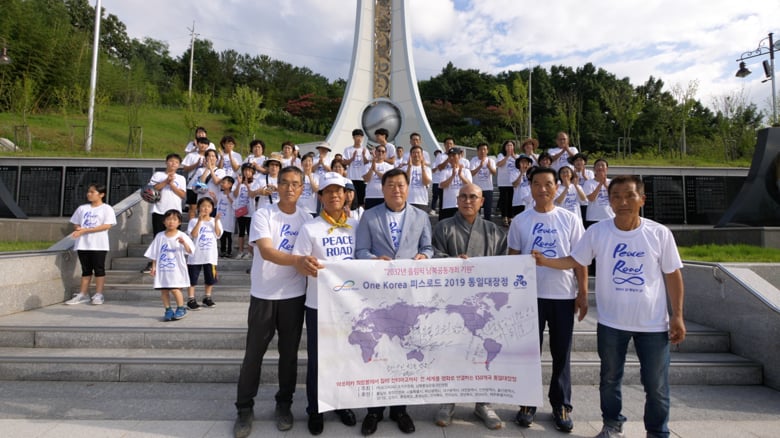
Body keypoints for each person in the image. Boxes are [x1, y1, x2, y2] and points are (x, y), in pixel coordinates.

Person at [533, 175, 685, 438]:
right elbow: (574, 260)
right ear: (609, 201)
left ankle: (658, 432)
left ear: (642, 199)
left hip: (652, 324)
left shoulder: (659, 234)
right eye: (616, 196)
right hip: (611, 323)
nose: (623, 202)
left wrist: (678, 315)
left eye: (629, 195)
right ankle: (612, 424)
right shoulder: (598, 231)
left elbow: (673, 275)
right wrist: (545, 262)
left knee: (656, 385)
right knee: (609, 380)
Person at [234, 166, 315, 437]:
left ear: (302, 188)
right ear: (276, 186)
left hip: (294, 297)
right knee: (253, 355)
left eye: (295, 184)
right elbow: (267, 252)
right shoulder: (264, 214)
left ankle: (284, 404)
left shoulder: (307, 218)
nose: (290, 188)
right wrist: (298, 261)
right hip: (264, 295)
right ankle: (244, 408)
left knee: (289, 356)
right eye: (284, 183)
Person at [507, 167, 587, 433]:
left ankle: (561, 404)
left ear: (557, 186)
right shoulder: (520, 221)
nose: (542, 189)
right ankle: (527, 402)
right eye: (537, 184)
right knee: (529, 352)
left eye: (548, 184)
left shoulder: (570, 219)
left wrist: (583, 293)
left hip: (563, 295)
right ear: (529, 187)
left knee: (561, 353)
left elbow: (581, 260)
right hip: (531, 296)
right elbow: (513, 259)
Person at [355, 167, 434, 436]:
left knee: (403, 351)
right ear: (383, 188)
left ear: (408, 188)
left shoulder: (421, 217)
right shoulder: (369, 216)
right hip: (378, 297)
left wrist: (424, 257)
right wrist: (374, 261)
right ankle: (374, 411)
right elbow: (360, 251)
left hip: (409, 298)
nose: (396, 189)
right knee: (379, 350)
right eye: (391, 185)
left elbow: (427, 248)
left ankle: (400, 409)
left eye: (401, 185)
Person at [431, 183, 507, 430]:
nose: (467, 200)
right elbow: (432, 256)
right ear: (456, 199)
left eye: (472, 197)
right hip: (452, 304)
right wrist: (452, 262)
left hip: (484, 307)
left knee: (482, 352)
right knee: (450, 349)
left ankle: (483, 403)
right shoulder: (443, 227)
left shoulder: (494, 231)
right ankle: (448, 401)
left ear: (482, 201)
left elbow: (505, 265)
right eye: (463, 196)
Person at [292, 172, 358, 435]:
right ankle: (315, 409)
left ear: (346, 196)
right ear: (320, 197)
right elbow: (298, 263)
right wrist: (307, 266)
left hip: (349, 305)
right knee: (318, 360)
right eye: (328, 191)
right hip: (318, 304)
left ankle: (341, 403)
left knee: (345, 357)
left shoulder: (356, 225)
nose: (334, 196)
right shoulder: (310, 228)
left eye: (338, 191)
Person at [65, 183, 117, 305]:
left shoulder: (107, 209)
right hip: (83, 244)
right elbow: (76, 223)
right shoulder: (82, 208)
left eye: (92, 192)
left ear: (101, 195)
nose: (89, 194)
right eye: (89, 192)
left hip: (99, 244)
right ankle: (83, 294)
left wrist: (85, 230)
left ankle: (99, 294)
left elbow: (107, 225)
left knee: (99, 269)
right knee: (86, 270)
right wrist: (78, 229)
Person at [144, 209, 194, 321]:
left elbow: (190, 251)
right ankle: (168, 310)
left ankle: (181, 308)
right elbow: (155, 252)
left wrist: (184, 243)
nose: (171, 222)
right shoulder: (160, 236)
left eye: (174, 219)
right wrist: (153, 266)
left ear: (179, 222)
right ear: (164, 222)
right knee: (164, 290)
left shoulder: (182, 235)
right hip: (163, 269)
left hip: (176, 268)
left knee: (175, 289)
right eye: (168, 219)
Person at [142, 153, 186, 273]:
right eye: (171, 161)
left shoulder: (181, 178)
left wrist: (172, 184)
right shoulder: (158, 175)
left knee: (175, 238)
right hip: (159, 210)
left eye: (176, 163)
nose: (173, 164)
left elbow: (182, 195)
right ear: (166, 162)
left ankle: (174, 261)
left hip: (175, 212)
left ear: (179, 165)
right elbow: (152, 189)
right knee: (158, 237)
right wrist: (166, 181)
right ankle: (154, 263)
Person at [186, 197, 222, 309]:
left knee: (210, 278)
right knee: (192, 278)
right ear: (198, 208)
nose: (206, 209)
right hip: (196, 255)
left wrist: (215, 222)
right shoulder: (193, 221)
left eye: (208, 206)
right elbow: (193, 235)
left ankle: (207, 297)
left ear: (212, 208)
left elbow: (218, 234)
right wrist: (199, 221)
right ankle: (191, 299)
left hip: (210, 256)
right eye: (203, 206)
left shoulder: (215, 221)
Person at [439, 147, 473, 220]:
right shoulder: (445, 171)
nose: (451, 158)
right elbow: (441, 186)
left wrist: (461, 176)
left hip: (463, 205)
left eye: (454, 155)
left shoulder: (466, 171)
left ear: (459, 156)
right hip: (448, 205)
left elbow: (470, 186)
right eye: (450, 156)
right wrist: (452, 176)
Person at [181, 136, 211, 219]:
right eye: (201, 143)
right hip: (192, 185)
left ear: (208, 146)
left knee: (204, 208)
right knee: (192, 208)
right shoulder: (191, 155)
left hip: (206, 185)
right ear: (197, 144)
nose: (203, 145)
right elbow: (185, 169)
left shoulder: (210, 156)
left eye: (205, 144)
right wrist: (196, 164)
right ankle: (191, 227)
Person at [342, 128, 371, 207]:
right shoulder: (348, 149)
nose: (359, 138)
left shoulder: (365, 150)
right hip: (351, 178)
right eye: (357, 136)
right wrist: (352, 158)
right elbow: (344, 162)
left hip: (361, 179)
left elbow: (366, 162)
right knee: (350, 199)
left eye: (361, 136)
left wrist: (364, 155)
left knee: (361, 200)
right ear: (353, 137)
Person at [583, 159, 614, 228]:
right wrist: (600, 184)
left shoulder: (612, 182)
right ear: (594, 169)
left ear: (607, 169)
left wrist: (605, 184)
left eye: (602, 165)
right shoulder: (588, 183)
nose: (600, 167)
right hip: (593, 217)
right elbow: (591, 199)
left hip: (610, 216)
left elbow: (614, 197)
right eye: (598, 165)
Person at [470, 142, 497, 220]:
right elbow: (471, 173)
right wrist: (480, 166)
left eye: (484, 149)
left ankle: (487, 226)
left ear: (487, 151)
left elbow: (494, 173)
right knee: (476, 209)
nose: (482, 151)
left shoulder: (491, 161)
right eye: (481, 149)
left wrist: (489, 167)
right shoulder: (473, 160)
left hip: (488, 189)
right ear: (477, 151)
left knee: (487, 210)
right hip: (476, 189)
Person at [362, 144, 394, 209]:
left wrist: (375, 171)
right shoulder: (367, 166)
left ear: (385, 153)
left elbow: (387, 179)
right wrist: (371, 168)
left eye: (383, 151)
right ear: (375, 152)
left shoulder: (389, 167)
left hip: (384, 196)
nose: (380, 153)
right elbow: (366, 180)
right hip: (370, 196)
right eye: (379, 151)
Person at [496, 140, 518, 226]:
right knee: (504, 200)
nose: (509, 147)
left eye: (511, 146)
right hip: (503, 182)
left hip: (513, 182)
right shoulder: (501, 155)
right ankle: (504, 216)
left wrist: (514, 157)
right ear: (505, 147)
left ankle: (510, 217)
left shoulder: (517, 156)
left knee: (511, 200)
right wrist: (507, 156)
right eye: (508, 146)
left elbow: (521, 165)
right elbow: (499, 164)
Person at [404, 144, 432, 210]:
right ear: (410, 155)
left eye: (418, 153)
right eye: (414, 153)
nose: (416, 155)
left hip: (421, 201)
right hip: (407, 201)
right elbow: (405, 182)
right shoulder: (405, 168)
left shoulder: (427, 169)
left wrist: (422, 168)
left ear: (422, 155)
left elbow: (426, 183)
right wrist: (409, 167)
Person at [217, 176, 236, 258]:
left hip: (229, 219)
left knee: (229, 236)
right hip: (221, 219)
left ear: (230, 184)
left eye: (224, 182)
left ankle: (229, 251)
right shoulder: (220, 194)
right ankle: (222, 250)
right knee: (222, 235)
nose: (222, 184)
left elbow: (235, 205)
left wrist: (229, 198)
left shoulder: (233, 194)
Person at [429, 149, 443, 215]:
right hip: (435, 182)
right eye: (437, 154)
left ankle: (441, 209)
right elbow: (433, 170)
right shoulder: (434, 163)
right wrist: (438, 166)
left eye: (439, 154)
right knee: (435, 196)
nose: (438, 155)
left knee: (442, 197)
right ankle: (433, 209)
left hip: (442, 181)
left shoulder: (444, 162)